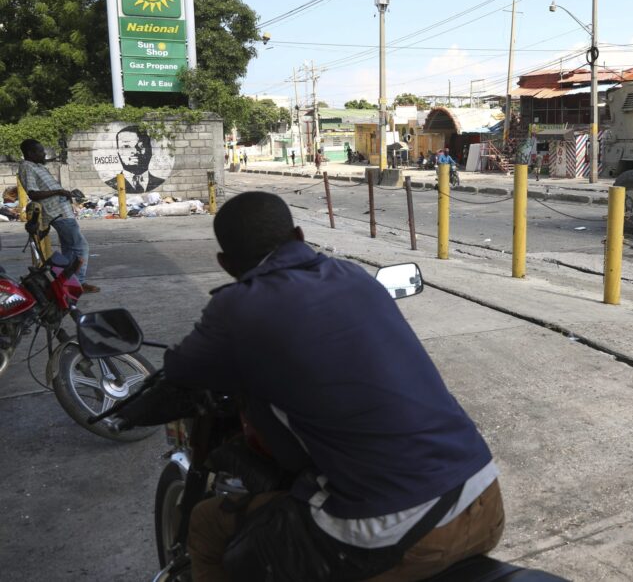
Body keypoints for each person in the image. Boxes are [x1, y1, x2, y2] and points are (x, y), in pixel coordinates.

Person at [164, 192, 504, 581]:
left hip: (398, 532)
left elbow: (179, 370)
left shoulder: (236, 308)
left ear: (224, 263)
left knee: (207, 524)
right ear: (299, 235)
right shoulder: (352, 274)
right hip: (483, 496)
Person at [18, 139, 99, 293]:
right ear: (30, 153)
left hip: (63, 211)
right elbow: (33, 193)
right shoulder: (27, 167)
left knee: (69, 249)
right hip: (56, 213)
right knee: (80, 247)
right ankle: (78, 283)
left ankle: (67, 283)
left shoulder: (38, 166)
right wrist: (59, 191)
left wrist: (63, 193)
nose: (44, 154)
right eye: (40, 151)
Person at [103, 125, 164, 194]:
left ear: (150, 149)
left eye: (141, 146)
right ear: (118, 151)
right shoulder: (112, 184)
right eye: (126, 146)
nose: (134, 151)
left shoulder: (159, 182)